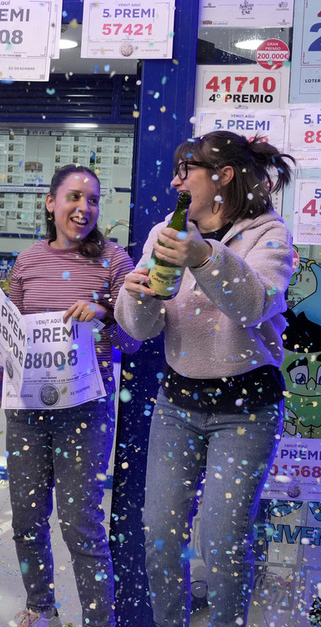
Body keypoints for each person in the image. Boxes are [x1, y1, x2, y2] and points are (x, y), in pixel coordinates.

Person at [115, 132, 295, 627]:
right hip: (177, 404)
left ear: (224, 176)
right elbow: (140, 329)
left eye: (185, 169)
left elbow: (253, 305)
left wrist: (204, 256)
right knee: (159, 535)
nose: (174, 180)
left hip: (246, 410)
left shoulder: (269, 235)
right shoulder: (163, 234)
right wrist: (135, 296)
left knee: (221, 543)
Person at [0, 165, 140, 627]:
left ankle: (98, 619)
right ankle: (40, 608)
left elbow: (135, 340)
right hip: (28, 408)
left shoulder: (115, 262)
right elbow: (10, 335)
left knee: (79, 522)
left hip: (85, 409)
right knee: (27, 519)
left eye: (91, 200)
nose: (82, 208)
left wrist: (105, 313)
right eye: (73, 197)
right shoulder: (27, 261)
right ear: (51, 203)